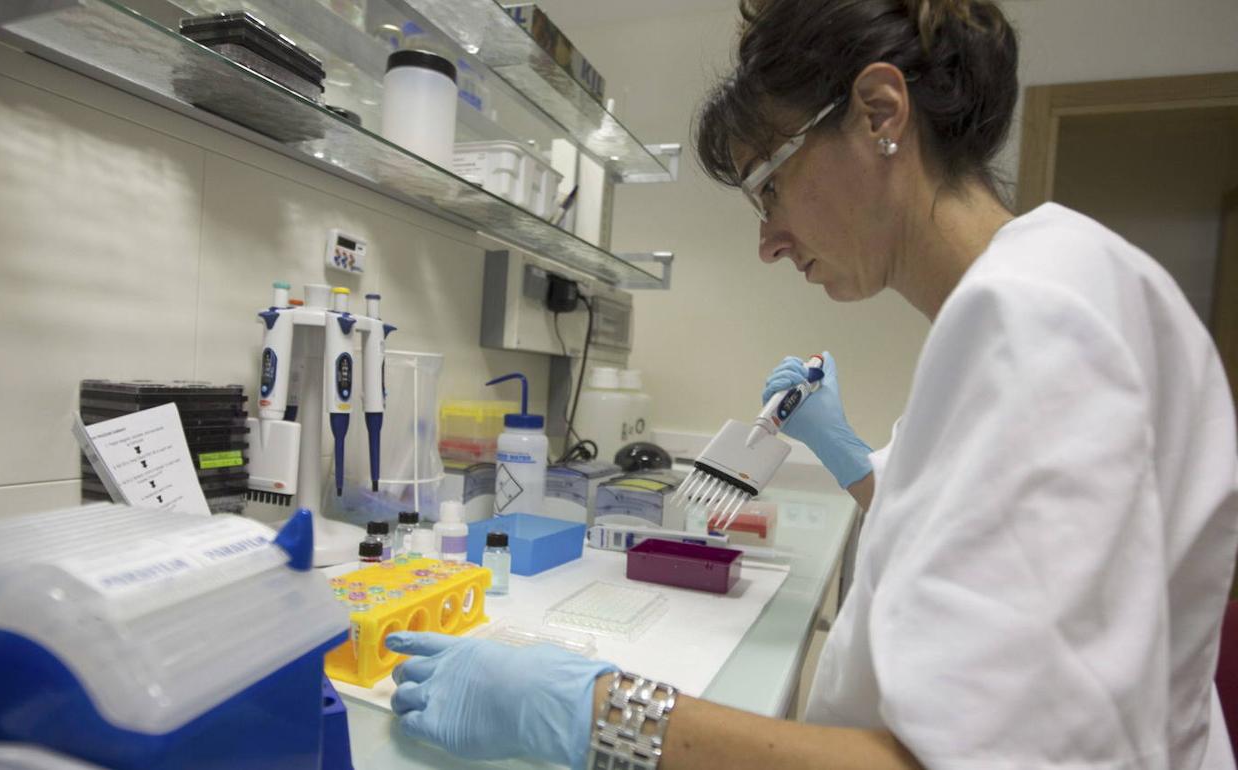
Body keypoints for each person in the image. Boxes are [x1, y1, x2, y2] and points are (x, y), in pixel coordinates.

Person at [383, 0, 1238, 767]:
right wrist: (849, 454)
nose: (769, 241)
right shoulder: (1054, 291)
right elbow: (990, 545)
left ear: (879, 114)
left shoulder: (1039, 321)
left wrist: (594, 711)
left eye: (770, 186)